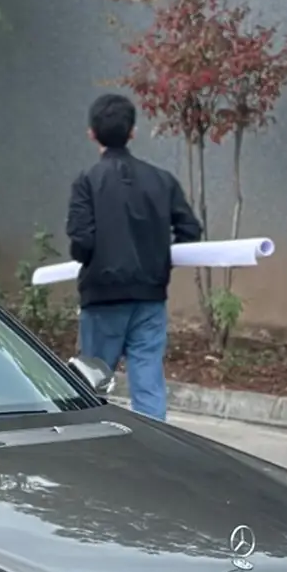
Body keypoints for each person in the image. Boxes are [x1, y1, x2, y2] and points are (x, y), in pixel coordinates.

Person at [65, 90, 201, 422]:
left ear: (91, 133)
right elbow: (190, 230)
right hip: (150, 297)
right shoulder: (162, 180)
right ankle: (153, 449)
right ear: (132, 132)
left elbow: (81, 243)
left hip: (102, 297)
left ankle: (92, 445)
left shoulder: (87, 181)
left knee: (93, 380)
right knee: (148, 380)